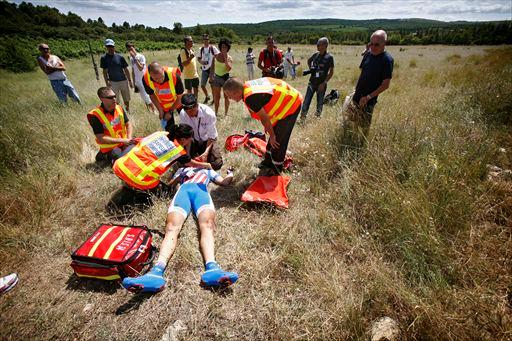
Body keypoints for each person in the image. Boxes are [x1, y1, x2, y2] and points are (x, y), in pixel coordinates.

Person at [121, 165, 238, 293]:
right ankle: (156, 272)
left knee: (208, 224)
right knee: (171, 227)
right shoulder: (182, 169)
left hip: (201, 192)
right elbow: (170, 184)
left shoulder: (208, 169)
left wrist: (230, 173)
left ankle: (213, 268)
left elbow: (224, 182)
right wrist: (180, 176)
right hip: (183, 191)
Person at [223, 77, 303, 175]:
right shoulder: (246, 86)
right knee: (273, 139)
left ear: (236, 92)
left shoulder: (249, 97)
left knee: (278, 141)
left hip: (291, 104)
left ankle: (276, 169)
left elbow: (264, 117)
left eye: (229, 96)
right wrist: (270, 129)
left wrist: (272, 135)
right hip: (288, 99)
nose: (230, 99)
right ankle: (268, 162)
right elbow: (265, 103)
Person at [113, 124, 211, 191]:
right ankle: (135, 190)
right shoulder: (178, 150)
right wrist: (206, 165)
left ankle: (128, 184)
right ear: (182, 139)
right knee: (166, 192)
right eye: (188, 140)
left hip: (119, 166)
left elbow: (140, 141)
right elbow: (191, 163)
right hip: (138, 179)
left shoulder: (160, 134)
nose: (189, 143)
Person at [352, 30, 393, 133]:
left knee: (364, 126)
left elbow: (385, 84)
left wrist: (368, 97)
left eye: (377, 45)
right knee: (353, 122)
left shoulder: (387, 60)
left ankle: (361, 144)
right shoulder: (368, 54)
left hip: (368, 100)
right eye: (371, 44)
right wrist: (356, 89)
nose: (373, 47)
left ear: (384, 44)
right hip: (357, 95)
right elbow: (362, 73)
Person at [87, 87, 135, 163]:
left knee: (139, 149)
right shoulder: (95, 115)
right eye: (110, 97)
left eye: (115, 96)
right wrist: (123, 141)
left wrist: (128, 140)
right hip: (110, 147)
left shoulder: (119, 108)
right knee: (122, 161)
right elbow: (101, 138)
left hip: (124, 142)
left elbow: (128, 124)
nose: (114, 99)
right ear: (102, 99)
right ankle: (103, 156)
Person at [179, 94, 223, 170]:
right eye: (188, 112)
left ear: (197, 106)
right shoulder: (183, 114)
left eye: (192, 111)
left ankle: (202, 154)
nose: (190, 114)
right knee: (183, 162)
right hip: (193, 140)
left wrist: (206, 153)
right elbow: (187, 136)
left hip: (208, 141)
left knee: (216, 164)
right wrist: (188, 154)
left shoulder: (208, 113)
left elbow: (212, 136)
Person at [142, 62, 184, 130]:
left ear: (162, 70)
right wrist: (160, 110)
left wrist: (170, 111)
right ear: (150, 75)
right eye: (156, 79)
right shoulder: (146, 79)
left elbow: (180, 97)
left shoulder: (174, 75)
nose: (160, 80)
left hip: (178, 101)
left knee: (187, 122)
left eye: (162, 76)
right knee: (169, 129)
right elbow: (152, 95)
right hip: (164, 105)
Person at [300, 37, 335, 120]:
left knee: (319, 104)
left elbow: (331, 72)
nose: (317, 46)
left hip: (321, 85)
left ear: (325, 45)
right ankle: (302, 119)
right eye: (317, 44)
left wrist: (324, 83)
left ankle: (317, 120)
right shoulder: (316, 54)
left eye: (319, 44)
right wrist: (311, 69)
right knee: (306, 102)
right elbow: (309, 60)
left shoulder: (329, 57)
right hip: (312, 83)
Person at [100, 39, 133, 113]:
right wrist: (107, 82)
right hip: (113, 82)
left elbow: (126, 69)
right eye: (108, 46)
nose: (110, 48)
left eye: (111, 46)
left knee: (126, 98)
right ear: (106, 47)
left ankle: (128, 110)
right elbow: (104, 72)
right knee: (115, 100)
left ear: (114, 46)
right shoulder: (104, 58)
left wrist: (130, 81)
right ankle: (118, 112)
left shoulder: (120, 57)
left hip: (123, 81)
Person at [125, 42, 156, 113]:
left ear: (134, 47)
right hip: (137, 80)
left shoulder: (141, 56)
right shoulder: (131, 59)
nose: (130, 51)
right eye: (128, 49)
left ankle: (154, 110)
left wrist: (134, 58)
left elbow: (141, 68)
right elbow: (133, 71)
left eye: (131, 48)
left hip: (144, 79)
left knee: (146, 96)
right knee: (143, 96)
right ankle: (150, 110)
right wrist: (134, 82)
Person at [210, 38, 233, 116]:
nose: (224, 48)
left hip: (226, 79)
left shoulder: (229, 58)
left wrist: (226, 59)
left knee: (226, 97)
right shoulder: (215, 56)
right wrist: (211, 76)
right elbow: (212, 67)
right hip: (217, 78)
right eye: (222, 47)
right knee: (217, 97)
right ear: (220, 47)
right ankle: (216, 113)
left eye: (225, 47)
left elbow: (229, 68)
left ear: (228, 48)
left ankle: (226, 114)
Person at [197, 34, 219, 104]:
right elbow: (198, 58)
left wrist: (214, 61)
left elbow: (218, 55)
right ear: (203, 40)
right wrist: (202, 62)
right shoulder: (201, 49)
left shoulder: (213, 48)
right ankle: (207, 96)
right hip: (204, 69)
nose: (205, 41)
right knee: (202, 85)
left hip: (211, 69)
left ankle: (214, 99)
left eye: (207, 39)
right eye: (204, 39)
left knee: (212, 86)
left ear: (209, 40)